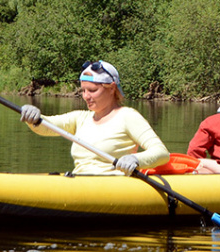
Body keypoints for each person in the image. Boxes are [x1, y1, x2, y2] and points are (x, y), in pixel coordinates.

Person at [17, 60, 169, 176]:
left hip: (113, 185)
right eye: (83, 90)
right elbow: (46, 126)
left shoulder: (128, 116)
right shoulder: (81, 118)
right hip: (80, 181)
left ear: (111, 88)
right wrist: (34, 117)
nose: (86, 96)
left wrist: (136, 160)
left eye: (92, 90)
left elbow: (161, 153)